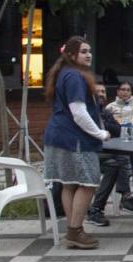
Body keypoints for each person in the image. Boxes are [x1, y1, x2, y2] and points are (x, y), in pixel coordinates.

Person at [42, 37, 111, 250]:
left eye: (89, 50)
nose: (88, 54)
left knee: (69, 183)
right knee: (89, 183)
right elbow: (79, 113)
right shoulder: (74, 77)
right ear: (71, 55)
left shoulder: (64, 73)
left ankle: (74, 230)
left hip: (58, 136)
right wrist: (99, 133)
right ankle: (74, 231)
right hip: (74, 139)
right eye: (83, 51)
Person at [86, 83, 133, 228]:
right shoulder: (88, 111)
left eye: (103, 91)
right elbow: (98, 129)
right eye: (98, 92)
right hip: (87, 154)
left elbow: (118, 129)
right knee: (122, 158)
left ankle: (96, 209)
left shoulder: (104, 111)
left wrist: (106, 124)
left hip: (103, 152)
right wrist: (105, 126)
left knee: (114, 165)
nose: (102, 94)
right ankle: (126, 196)